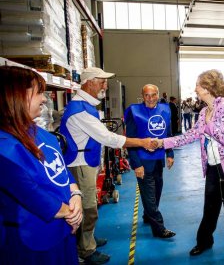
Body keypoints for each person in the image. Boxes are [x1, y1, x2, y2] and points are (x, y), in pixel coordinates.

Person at [60, 67, 156, 264]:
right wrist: (141, 142)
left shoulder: (87, 106)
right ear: (89, 83)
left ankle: (88, 238)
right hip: (80, 164)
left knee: (90, 203)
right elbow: (108, 137)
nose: (105, 85)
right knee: (88, 207)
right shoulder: (80, 110)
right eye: (101, 81)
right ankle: (85, 249)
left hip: (87, 161)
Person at [157, 69, 224, 264]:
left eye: (198, 86)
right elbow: (191, 135)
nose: (196, 89)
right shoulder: (203, 111)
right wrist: (163, 143)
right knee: (210, 209)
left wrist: (209, 124)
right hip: (212, 168)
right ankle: (204, 241)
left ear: (208, 88)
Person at [0, 66, 83, 264]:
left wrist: (76, 195)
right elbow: (31, 194)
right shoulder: (5, 147)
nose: (44, 99)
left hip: (63, 232)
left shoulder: (42, 134)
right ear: (16, 95)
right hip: (31, 240)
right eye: (38, 92)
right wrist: (71, 213)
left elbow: (62, 173)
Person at [124, 84, 176, 239]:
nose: (151, 98)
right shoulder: (134, 112)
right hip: (142, 160)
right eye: (147, 95)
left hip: (158, 159)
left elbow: (168, 134)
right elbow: (129, 141)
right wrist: (136, 164)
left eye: (154, 94)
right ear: (142, 95)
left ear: (158, 95)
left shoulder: (165, 110)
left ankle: (148, 215)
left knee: (157, 190)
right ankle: (159, 228)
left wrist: (170, 153)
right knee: (149, 194)